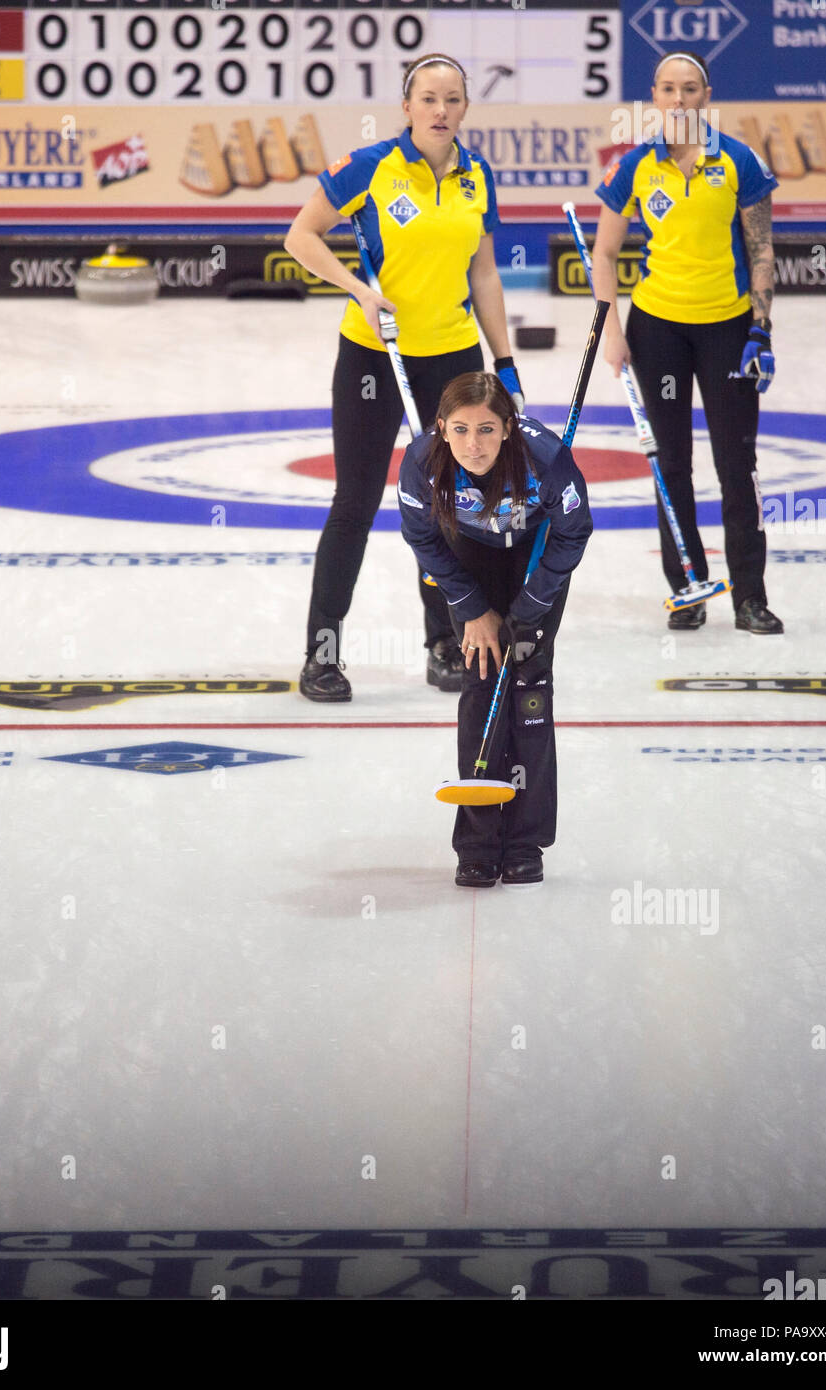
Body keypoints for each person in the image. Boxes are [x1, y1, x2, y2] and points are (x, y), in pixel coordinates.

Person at [283, 52, 526, 701]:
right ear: (407, 107)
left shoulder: (478, 177)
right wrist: (357, 288)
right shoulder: (371, 169)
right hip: (374, 354)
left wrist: (503, 364)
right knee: (356, 503)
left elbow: (485, 275)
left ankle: (446, 641)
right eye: (428, 99)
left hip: (450, 361)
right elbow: (300, 237)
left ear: (465, 108)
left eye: (452, 99)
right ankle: (322, 654)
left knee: (448, 507)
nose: (440, 110)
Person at [591, 49, 784, 633]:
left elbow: (761, 249)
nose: (679, 99)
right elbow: (603, 252)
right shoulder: (635, 167)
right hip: (658, 331)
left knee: (736, 463)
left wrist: (761, 328)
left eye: (691, 89)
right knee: (670, 463)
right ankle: (688, 589)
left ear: (706, 96)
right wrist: (612, 330)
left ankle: (749, 596)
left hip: (727, 330)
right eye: (669, 89)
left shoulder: (739, 161)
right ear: (655, 96)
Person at [398, 372, 592, 888]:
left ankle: (526, 841)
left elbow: (574, 531)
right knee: (481, 681)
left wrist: (532, 604)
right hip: (472, 558)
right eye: (460, 430)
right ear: (441, 428)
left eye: (486, 429)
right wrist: (469, 606)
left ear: (509, 427)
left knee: (529, 685)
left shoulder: (546, 459)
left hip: (536, 557)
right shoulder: (420, 464)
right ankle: (478, 842)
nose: (473, 444)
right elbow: (421, 536)